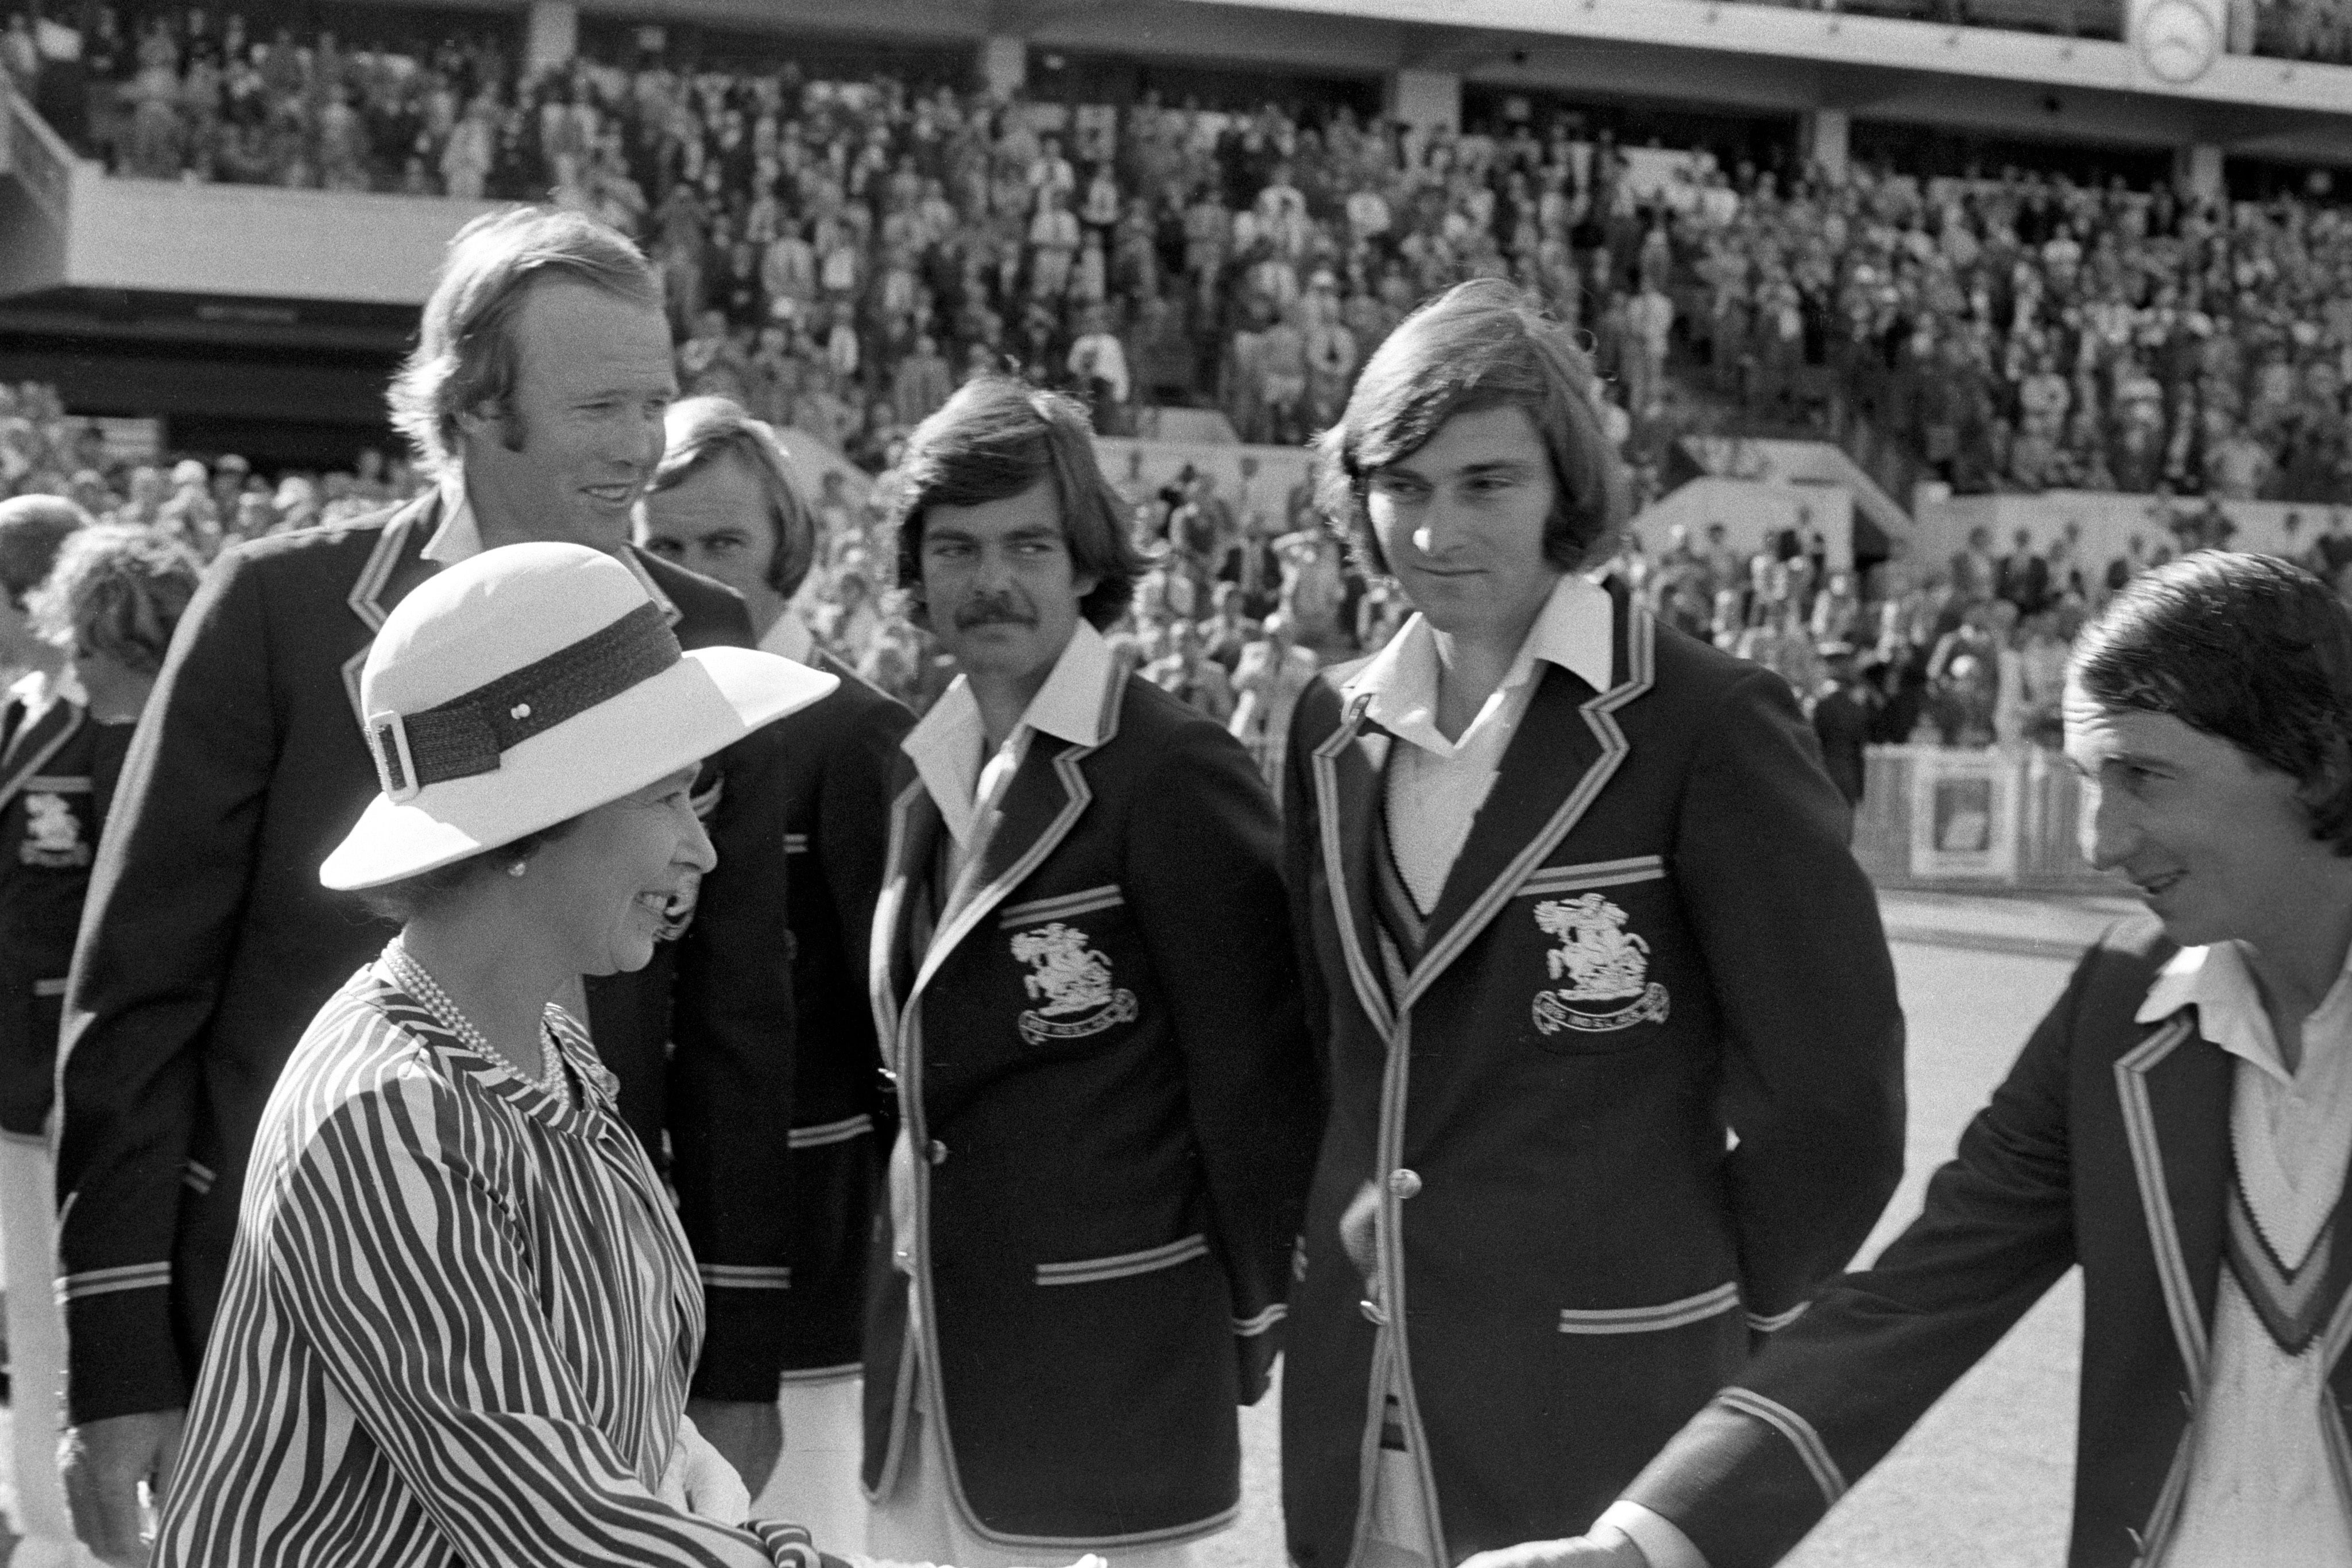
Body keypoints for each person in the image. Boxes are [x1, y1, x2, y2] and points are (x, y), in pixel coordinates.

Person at [53, 207, 801, 1568]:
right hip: (297, 1308)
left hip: (587, 1348)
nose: (642, 446)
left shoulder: (695, 631)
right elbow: (139, 996)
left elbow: (737, 1027)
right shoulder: (276, 605)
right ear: (472, 403)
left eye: (655, 400)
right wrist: (116, 1352)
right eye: (600, 406)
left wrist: (731, 1350)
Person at [1461, 551, 2352, 1568]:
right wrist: (1642, 1548)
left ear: (2316, 757)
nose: (2103, 842)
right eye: (2088, 783)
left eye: (2144, 775)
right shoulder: (2119, 1009)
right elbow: (1913, 1299)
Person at [1279, 280, 1905, 1568]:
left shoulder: (1708, 720)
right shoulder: (1326, 724)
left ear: (1566, 485)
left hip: (1604, 1409)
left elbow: (1835, 1101)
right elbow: (1335, 1055)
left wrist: (1705, 1304)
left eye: (1484, 482)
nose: (1434, 527)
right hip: (1359, 1401)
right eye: (1398, 482)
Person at [151, 541, 842, 1565]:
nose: (699, 848)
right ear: (525, 830)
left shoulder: (541, 1046)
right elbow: (557, 1528)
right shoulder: (389, 1116)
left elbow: (601, 1425)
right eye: (665, 799)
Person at [864, 376, 1320, 1566]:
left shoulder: (1172, 767)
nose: (989, 580)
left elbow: (1255, 1074)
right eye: (953, 548)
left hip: (1105, 1366)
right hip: (926, 1368)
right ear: (915, 572)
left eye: (1028, 542)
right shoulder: (924, 769)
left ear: (1085, 564)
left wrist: (1254, 1316)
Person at [639, 397, 915, 1550]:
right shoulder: (630, 723)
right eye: (667, 546)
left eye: (725, 545)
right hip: (645, 1241)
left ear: (787, 552)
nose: (697, 574)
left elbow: (888, 1023)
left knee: (798, 1535)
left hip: (800, 1255)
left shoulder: (853, 730)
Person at [2, 506, 198, 1568]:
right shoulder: (69, 721)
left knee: (79, 1321)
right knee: (45, 1321)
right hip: (50, 1076)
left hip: (84, 1083)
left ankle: (77, 1537)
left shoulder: (127, 743)